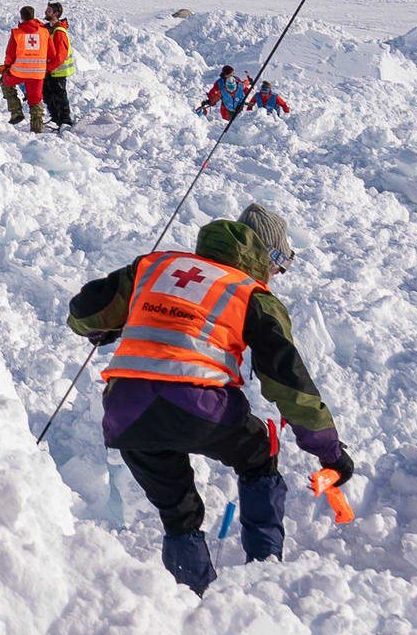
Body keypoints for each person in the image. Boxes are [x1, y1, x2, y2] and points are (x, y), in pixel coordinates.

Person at [69, 204, 351, 592]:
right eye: (279, 267)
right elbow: (288, 381)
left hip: (127, 413)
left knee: (178, 514)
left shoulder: (156, 267)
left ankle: (197, 600)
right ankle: (264, 572)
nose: (276, 276)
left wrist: (106, 328)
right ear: (266, 257)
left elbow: (84, 311)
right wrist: (329, 452)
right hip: (197, 405)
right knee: (258, 454)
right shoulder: (252, 294)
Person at [0, 5, 49, 131]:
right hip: (38, 73)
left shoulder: (17, 33)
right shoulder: (44, 32)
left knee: (6, 84)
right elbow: (52, 53)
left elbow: (10, 55)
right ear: (33, 15)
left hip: (18, 72)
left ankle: (16, 112)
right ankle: (37, 129)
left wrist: (7, 68)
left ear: (21, 17)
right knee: (35, 99)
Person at [41, 0, 76, 129]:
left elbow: (60, 55)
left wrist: (48, 68)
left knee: (59, 97)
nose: (46, 12)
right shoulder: (48, 29)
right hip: (49, 70)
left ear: (56, 13)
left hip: (58, 71)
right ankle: (55, 119)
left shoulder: (59, 31)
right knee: (48, 96)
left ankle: (65, 121)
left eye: (49, 11)